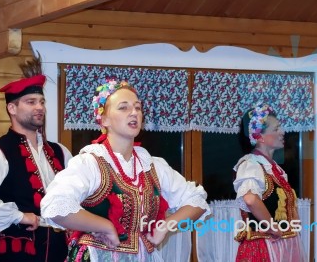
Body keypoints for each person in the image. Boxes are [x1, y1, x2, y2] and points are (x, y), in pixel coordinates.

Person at [40, 79, 210, 262]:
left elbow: (196, 201)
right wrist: (104, 226)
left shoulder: (152, 166)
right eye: (123, 107)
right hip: (98, 256)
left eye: (138, 107)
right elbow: (55, 206)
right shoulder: (90, 163)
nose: (134, 112)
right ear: (104, 119)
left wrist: (165, 226)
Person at [0, 58, 72, 262]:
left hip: (59, 250)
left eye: (42, 102)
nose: (40, 107)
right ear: (12, 108)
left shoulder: (60, 152)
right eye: (31, 102)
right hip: (18, 252)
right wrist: (18, 216)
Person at [233, 103, 307, 262]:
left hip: (283, 244)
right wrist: (273, 227)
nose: (282, 132)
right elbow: (250, 199)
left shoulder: (274, 169)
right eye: (276, 129)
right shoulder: (251, 165)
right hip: (264, 246)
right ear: (260, 136)